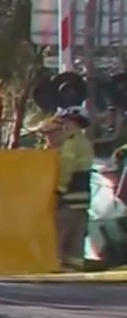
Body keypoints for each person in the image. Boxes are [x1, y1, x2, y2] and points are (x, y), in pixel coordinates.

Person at [54, 107, 94, 270]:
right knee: (77, 241)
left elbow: (66, 169)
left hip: (69, 200)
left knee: (60, 237)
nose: (64, 126)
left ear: (76, 124)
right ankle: (75, 272)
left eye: (66, 122)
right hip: (83, 201)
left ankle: (58, 269)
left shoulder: (71, 144)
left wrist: (59, 189)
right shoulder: (86, 143)